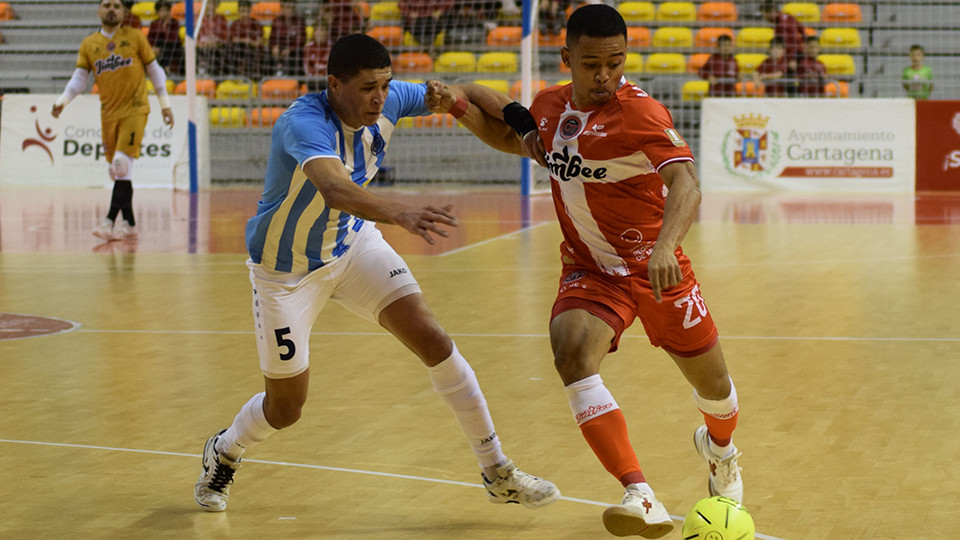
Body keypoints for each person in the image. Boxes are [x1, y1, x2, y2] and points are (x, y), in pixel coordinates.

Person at [193, 33, 560, 514]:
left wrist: (513, 119)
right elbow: (335, 189)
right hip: (286, 274)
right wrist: (401, 212)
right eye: (368, 88)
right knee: (286, 408)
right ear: (334, 85)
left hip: (352, 245)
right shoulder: (304, 123)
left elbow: (462, 89)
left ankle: (497, 470)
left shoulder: (393, 97)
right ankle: (224, 450)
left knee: (433, 340)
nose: (380, 97)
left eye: (385, 85)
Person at [430, 5, 744, 538]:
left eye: (616, 63)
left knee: (716, 394)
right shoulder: (551, 108)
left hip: (657, 270)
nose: (605, 76)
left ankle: (721, 450)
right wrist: (457, 101)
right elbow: (509, 133)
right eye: (593, 64)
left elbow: (687, 182)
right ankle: (639, 493)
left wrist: (668, 245)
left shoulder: (642, 113)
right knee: (571, 352)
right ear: (567, 58)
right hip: (590, 270)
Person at [52, 0, 175, 241]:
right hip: (109, 113)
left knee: (121, 164)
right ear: (99, 11)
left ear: (123, 12)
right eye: (107, 5)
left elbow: (155, 71)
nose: (111, 9)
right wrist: (63, 101)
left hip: (136, 109)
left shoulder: (136, 37)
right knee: (119, 171)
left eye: (116, 6)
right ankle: (129, 222)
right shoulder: (89, 44)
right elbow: (79, 80)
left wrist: (165, 105)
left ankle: (108, 221)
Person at [760, 0, 804, 72]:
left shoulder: (781, 25)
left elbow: (791, 41)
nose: (765, 18)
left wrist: (791, 59)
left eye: (764, 15)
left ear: (771, 12)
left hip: (793, 54)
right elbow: (802, 29)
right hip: (798, 51)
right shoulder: (788, 16)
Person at [227, 0, 265, 78]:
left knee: (252, 50)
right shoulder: (235, 24)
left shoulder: (256, 24)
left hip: (253, 50)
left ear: (250, 11)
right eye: (242, 11)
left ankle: (250, 76)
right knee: (234, 48)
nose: (244, 13)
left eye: (246, 11)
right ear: (238, 11)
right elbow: (233, 39)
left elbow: (261, 40)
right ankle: (235, 75)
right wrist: (245, 40)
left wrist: (253, 42)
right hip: (239, 50)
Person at [268, 0, 306, 75]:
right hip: (280, 47)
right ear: (282, 8)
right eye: (287, 7)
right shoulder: (276, 21)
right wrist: (273, 47)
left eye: (291, 7)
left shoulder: (300, 21)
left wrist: (290, 49)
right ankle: (268, 80)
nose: (289, 10)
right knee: (266, 55)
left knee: (296, 55)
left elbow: (301, 39)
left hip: (294, 49)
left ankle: (294, 80)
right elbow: (272, 38)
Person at [148, 0, 183, 75]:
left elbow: (173, 39)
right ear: (157, 12)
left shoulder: (174, 23)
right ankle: (166, 69)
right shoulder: (154, 24)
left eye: (167, 10)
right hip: (158, 47)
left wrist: (166, 27)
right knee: (161, 44)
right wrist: (153, 48)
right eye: (162, 11)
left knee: (167, 46)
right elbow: (150, 39)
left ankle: (166, 69)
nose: (165, 13)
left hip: (173, 47)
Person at [196, 0, 230, 75]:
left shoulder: (222, 19)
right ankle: (197, 72)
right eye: (208, 3)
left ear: (216, 5)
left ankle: (215, 75)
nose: (210, 6)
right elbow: (195, 37)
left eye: (212, 3)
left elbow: (225, 38)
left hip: (217, 46)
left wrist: (217, 43)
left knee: (216, 51)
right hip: (201, 46)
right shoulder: (199, 19)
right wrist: (201, 44)